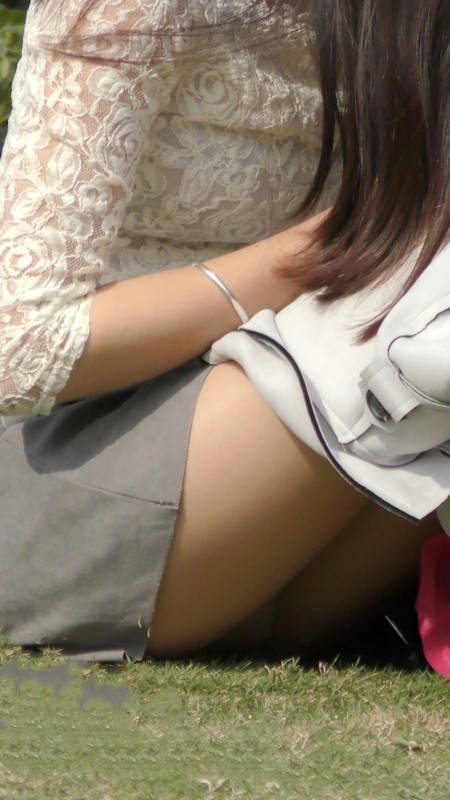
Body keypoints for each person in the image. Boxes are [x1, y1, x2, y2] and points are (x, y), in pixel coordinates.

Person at [0, 0, 448, 671]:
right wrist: (326, 247)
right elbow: (22, 351)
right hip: (78, 465)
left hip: (294, 532)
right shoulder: (127, 9)